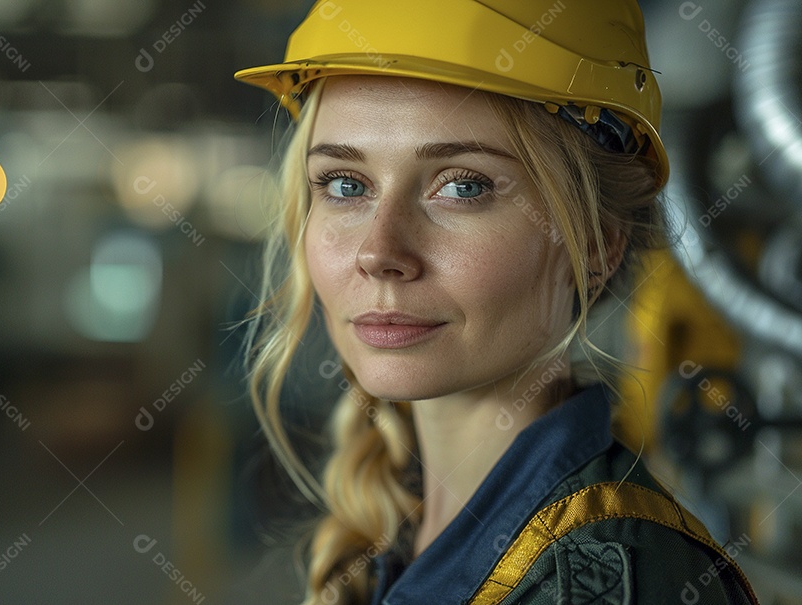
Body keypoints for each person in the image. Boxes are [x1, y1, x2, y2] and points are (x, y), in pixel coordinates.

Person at [234, 1, 760, 604]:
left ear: (596, 243)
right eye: (345, 185)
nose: (379, 252)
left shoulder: (607, 584)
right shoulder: (412, 534)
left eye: (463, 186)